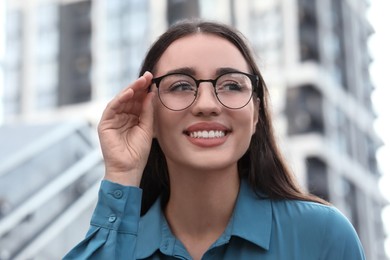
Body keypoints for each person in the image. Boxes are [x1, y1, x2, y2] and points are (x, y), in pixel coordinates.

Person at [64, 19, 365, 260]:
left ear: (256, 113)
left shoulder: (322, 235)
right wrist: (122, 174)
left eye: (232, 85)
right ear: (149, 113)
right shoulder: (118, 247)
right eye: (181, 85)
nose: (207, 104)